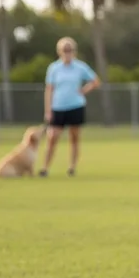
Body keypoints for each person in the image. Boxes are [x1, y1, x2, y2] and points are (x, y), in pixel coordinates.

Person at [39, 37, 100, 177]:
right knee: (52, 137)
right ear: (59, 51)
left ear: (74, 51)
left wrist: (84, 90)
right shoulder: (54, 68)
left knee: (74, 138)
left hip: (76, 106)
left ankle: (72, 167)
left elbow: (95, 81)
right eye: (65, 50)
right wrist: (48, 110)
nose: (67, 52)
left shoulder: (80, 67)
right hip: (58, 107)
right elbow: (49, 89)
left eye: (70, 50)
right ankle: (45, 167)